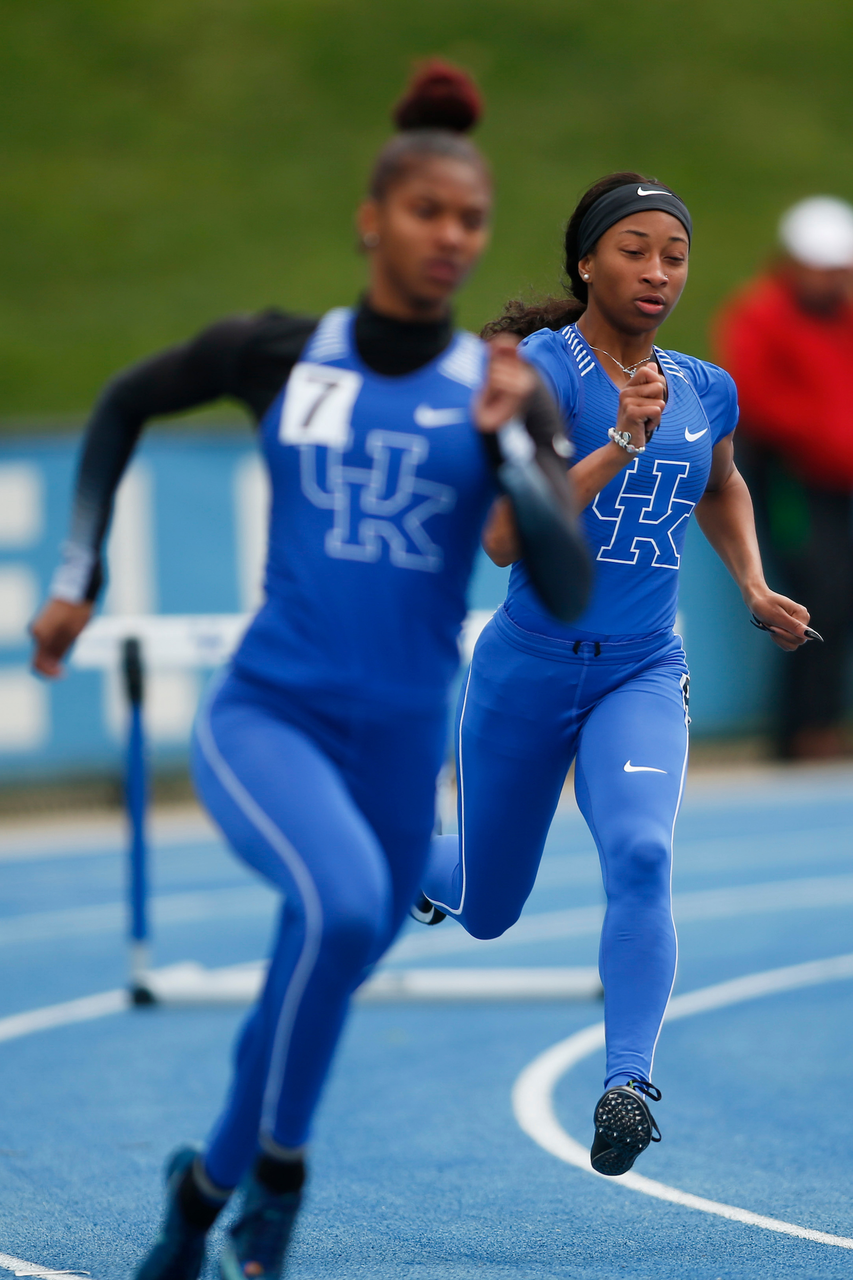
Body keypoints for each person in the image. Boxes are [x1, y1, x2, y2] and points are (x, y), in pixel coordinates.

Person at [31, 64, 591, 1280]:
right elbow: (126, 402)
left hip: (399, 749)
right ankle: (280, 1184)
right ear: (372, 218)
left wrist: (512, 445)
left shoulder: (503, 392)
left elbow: (565, 575)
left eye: (471, 220)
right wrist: (79, 573)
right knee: (343, 909)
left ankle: (202, 1189)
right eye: (427, 213)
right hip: (269, 717)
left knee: (310, 975)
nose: (451, 237)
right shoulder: (279, 355)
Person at [416, 171, 813, 1178]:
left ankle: (627, 1083)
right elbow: (507, 538)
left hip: (640, 670)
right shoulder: (538, 373)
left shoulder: (704, 385)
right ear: (585, 259)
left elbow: (720, 484)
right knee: (486, 903)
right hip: (527, 672)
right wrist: (618, 442)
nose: (656, 270)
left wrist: (754, 583)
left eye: (673, 253)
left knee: (640, 854)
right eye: (633, 248)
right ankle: (393, 852)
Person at [714, 196, 853, 759]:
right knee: (814, 589)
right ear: (793, 262)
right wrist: (831, 440)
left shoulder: (845, 316)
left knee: (842, 592)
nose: (832, 279)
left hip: (840, 480)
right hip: (789, 477)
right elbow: (757, 399)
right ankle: (799, 730)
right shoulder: (758, 314)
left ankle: (821, 722)